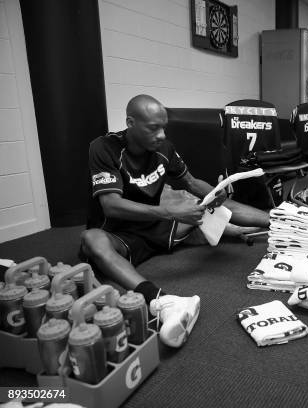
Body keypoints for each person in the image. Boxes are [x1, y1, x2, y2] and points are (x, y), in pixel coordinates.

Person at [80, 95, 270, 347]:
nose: (161, 135)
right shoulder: (104, 148)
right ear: (130, 122)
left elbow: (191, 182)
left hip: (158, 228)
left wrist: (215, 192)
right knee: (90, 239)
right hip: (120, 236)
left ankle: (286, 222)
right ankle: (163, 301)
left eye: (163, 127)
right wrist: (170, 212)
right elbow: (111, 205)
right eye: (153, 128)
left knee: (212, 201)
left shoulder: (164, 148)